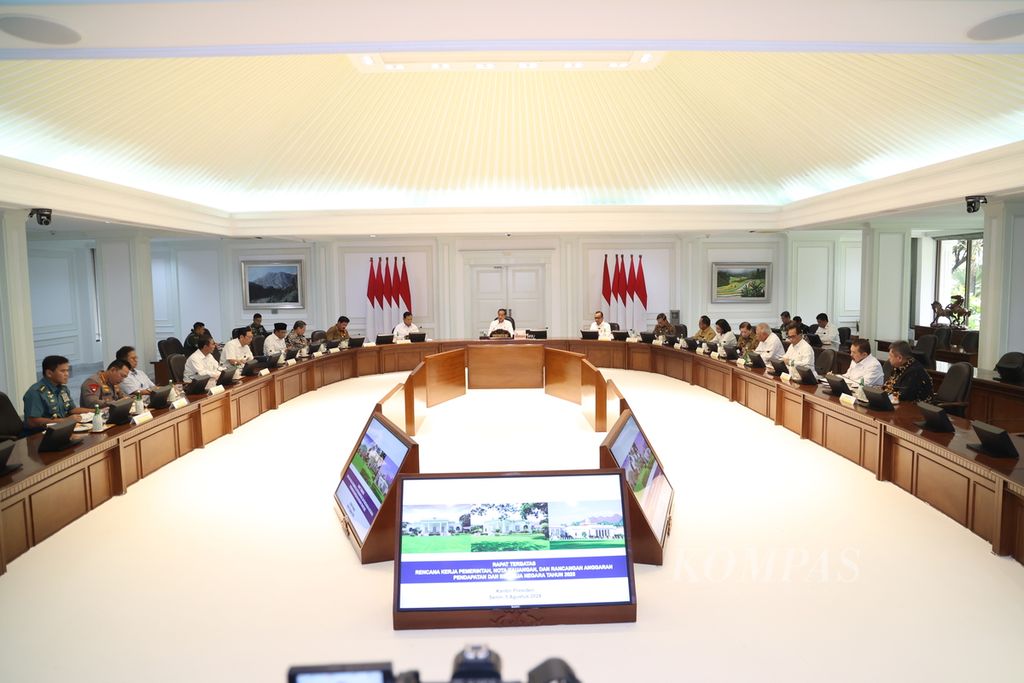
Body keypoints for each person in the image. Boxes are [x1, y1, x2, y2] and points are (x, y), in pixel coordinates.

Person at [23, 355, 93, 429]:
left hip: (61, 429)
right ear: (49, 373)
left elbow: (72, 410)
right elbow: (32, 422)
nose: (67, 374)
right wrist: (66, 421)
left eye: (67, 370)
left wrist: (96, 411)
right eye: (63, 371)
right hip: (39, 435)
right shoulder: (35, 392)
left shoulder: (63, 389)